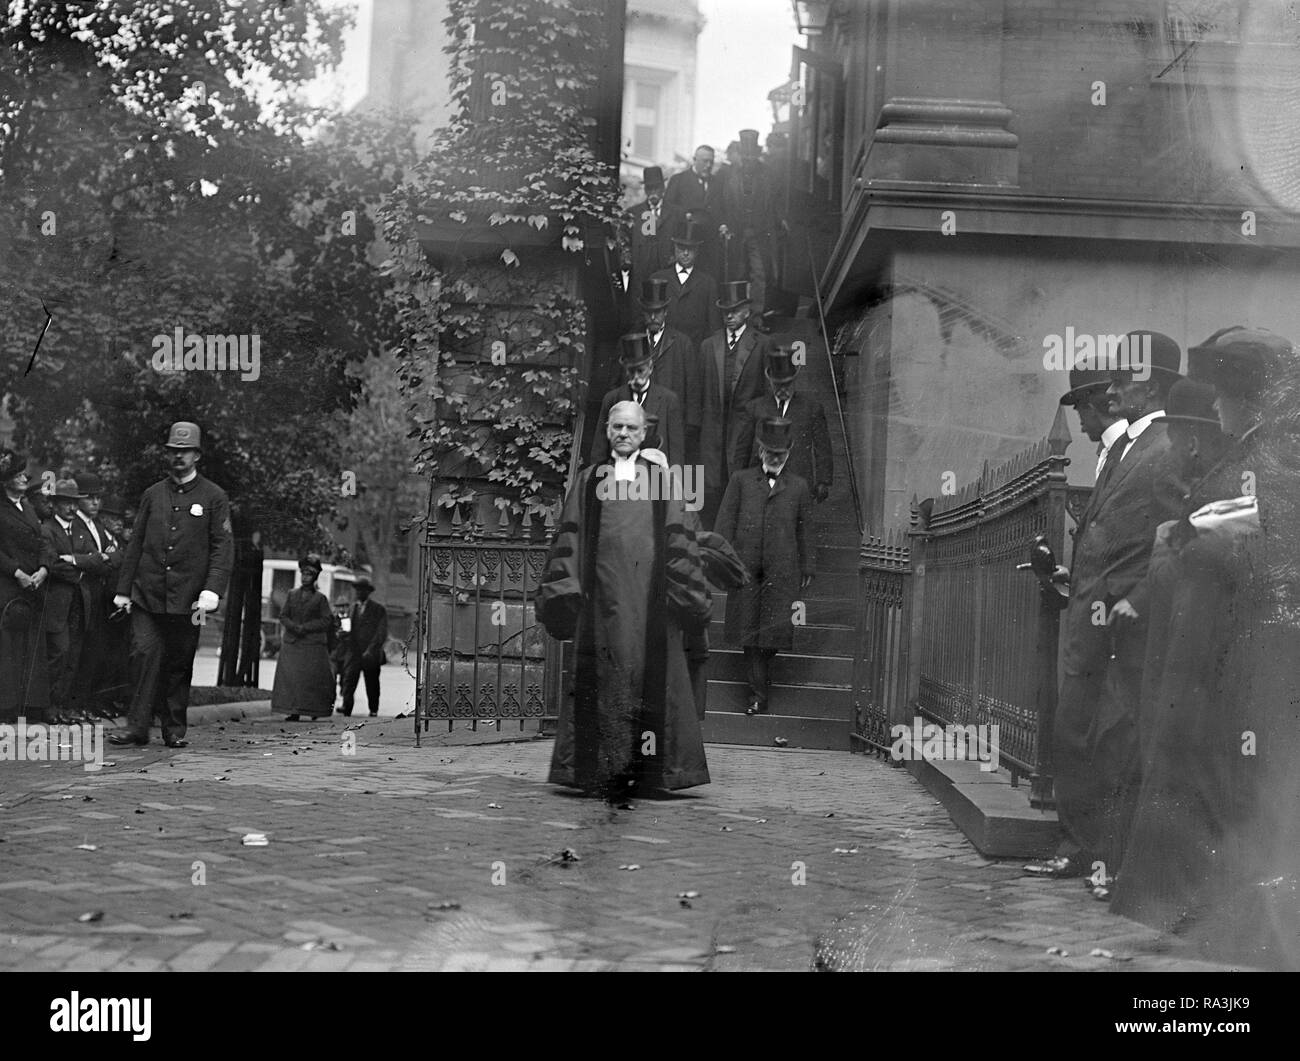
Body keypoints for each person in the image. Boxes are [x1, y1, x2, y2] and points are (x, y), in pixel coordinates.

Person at [1025, 331, 1183, 895]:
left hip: (1122, 626)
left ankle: (1110, 860)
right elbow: (1110, 534)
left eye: (1125, 379)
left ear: (1156, 384)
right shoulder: (1126, 446)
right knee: (1076, 734)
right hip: (1090, 616)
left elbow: (1168, 539)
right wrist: (1078, 579)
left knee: (1115, 742)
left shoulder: (1167, 447)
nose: (1112, 391)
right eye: (1113, 379)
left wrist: (1127, 599)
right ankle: (1080, 848)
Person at [1107, 378, 1243, 935]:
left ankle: (1179, 901)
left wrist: (1178, 537)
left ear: (1190, 440)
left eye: (1181, 434)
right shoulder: (1210, 480)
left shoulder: (1224, 484)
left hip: (1200, 660)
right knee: (1175, 769)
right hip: (1183, 655)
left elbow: (1231, 541)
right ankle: (1168, 899)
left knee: (1187, 771)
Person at [537, 400, 712, 802]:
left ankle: (651, 776)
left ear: (644, 432)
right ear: (607, 430)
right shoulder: (589, 478)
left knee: (649, 682)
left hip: (651, 605)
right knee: (604, 680)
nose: (623, 434)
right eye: (616, 427)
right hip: (601, 605)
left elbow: (677, 538)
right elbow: (572, 536)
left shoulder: (663, 479)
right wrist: (569, 589)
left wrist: (683, 592)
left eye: (631, 428)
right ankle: (596, 773)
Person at [109, 421, 234, 748]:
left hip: (192, 601)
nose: (179, 457)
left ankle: (173, 730)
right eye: (174, 451)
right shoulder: (153, 494)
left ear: (197, 456)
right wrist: (124, 590)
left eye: (185, 452)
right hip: (147, 595)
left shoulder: (214, 496)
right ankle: (136, 728)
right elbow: (136, 542)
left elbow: (223, 546)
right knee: (142, 655)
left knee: (180, 661)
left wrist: (212, 590)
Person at [713, 416, 814, 715]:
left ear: (789, 453)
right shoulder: (741, 481)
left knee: (775, 632)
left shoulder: (798, 486)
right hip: (745, 569)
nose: (773, 458)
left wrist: (808, 566)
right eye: (769, 452)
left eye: (779, 454)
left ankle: (760, 678)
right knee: (749, 632)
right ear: (759, 451)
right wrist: (721, 560)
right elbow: (725, 523)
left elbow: (805, 529)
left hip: (782, 571)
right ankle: (758, 695)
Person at [699, 279, 770, 528]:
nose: (729, 316)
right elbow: (700, 393)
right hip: (712, 435)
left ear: (747, 312)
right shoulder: (709, 346)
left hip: (744, 434)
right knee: (710, 491)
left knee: (740, 491)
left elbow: (766, 396)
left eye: (734, 311)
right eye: (725, 312)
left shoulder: (761, 345)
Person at [731, 345, 833, 504]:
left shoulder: (811, 408)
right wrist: (737, 479)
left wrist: (823, 481)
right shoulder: (755, 408)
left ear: (795, 380)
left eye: (787, 384)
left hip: (798, 479)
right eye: (778, 385)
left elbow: (823, 447)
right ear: (770, 382)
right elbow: (742, 448)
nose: (783, 389)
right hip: (761, 480)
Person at [42, 478, 99, 723]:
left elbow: (96, 559)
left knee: (73, 656)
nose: (71, 508)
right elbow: (53, 564)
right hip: (57, 603)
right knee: (59, 653)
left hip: (79, 603)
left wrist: (76, 561)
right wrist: (82, 568)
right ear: (54, 504)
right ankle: (49, 707)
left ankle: (63, 707)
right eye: (65, 503)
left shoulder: (80, 530)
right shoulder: (47, 530)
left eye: (74, 503)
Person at [0, 450, 51, 723]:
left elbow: (42, 541)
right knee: (8, 648)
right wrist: (16, 571)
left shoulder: (28, 508)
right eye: (17, 474)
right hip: (8, 587)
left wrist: (44, 568)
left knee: (30, 648)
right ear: (5, 479)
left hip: (32, 586)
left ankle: (29, 706)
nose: (24, 478)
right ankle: (6, 708)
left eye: (24, 474)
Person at [589, 333, 685, 468]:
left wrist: (674, 483)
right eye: (631, 371)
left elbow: (676, 451)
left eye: (640, 371)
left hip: (655, 476)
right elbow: (599, 448)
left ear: (650, 368)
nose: (636, 377)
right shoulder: (612, 399)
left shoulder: (669, 400)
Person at [70, 470, 120, 719]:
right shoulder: (75, 525)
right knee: (80, 651)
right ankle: (76, 703)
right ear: (78, 499)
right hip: (83, 596)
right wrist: (101, 560)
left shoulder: (99, 526)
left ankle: (89, 702)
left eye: (98, 497)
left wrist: (104, 559)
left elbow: (117, 555)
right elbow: (91, 561)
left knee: (97, 652)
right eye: (89, 497)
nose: (95, 502)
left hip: (100, 596)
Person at [639, 277, 704, 461]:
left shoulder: (682, 343)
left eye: (657, 312)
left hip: (671, 420)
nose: (653, 317)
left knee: (670, 467)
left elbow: (692, 387)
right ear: (643, 313)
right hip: (639, 420)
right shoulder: (632, 341)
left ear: (665, 312)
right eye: (649, 312)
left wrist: (690, 425)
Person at [720, 129, 780, 315]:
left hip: (759, 233)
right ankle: (735, 315)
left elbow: (775, 204)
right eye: (745, 156)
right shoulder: (730, 176)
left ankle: (756, 317)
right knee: (736, 274)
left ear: (757, 155)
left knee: (760, 274)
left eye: (751, 155)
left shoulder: (768, 176)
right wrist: (725, 224)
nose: (748, 160)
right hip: (737, 233)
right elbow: (723, 204)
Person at [273, 555, 338, 721]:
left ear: (315, 577)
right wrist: (294, 627)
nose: (305, 578)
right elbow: (283, 615)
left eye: (309, 575)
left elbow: (326, 620)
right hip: (293, 643)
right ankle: (293, 710)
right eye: (303, 574)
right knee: (292, 678)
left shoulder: (320, 599)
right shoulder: (292, 594)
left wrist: (306, 628)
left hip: (312, 644)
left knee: (312, 679)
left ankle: (314, 710)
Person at [651, 219, 721, 347]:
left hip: (694, 353)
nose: (686, 253)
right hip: (663, 352)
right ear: (674, 247)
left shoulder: (708, 283)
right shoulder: (658, 279)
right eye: (681, 248)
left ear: (698, 250)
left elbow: (713, 327)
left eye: (691, 248)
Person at [663, 144, 726, 282]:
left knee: (707, 281)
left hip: (710, 244)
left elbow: (722, 208)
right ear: (694, 159)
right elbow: (667, 207)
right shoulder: (679, 180)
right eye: (705, 161)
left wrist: (722, 224)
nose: (708, 165)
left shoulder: (717, 183)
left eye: (711, 161)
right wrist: (684, 215)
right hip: (686, 241)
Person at [338, 573, 387, 717]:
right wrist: (342, 634)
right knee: (348, 681)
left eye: (362, 590)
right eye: (357, 589)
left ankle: (373, 709)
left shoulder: (378, 609)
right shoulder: (352, 608)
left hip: (370, 654)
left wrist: (371, 650)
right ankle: (347, 709)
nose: (359, 592)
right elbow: (346, 629)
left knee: (372, 683)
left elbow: (381, 633)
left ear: (368, 591)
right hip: (354, 653)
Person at [628, 166, 680, 288]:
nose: (653, 192)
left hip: (667, 273)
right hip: (641, 276)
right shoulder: (633, 213)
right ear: (645, 190)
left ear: (663, 188)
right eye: (649, 188)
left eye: (657, 187)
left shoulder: (676, 213)